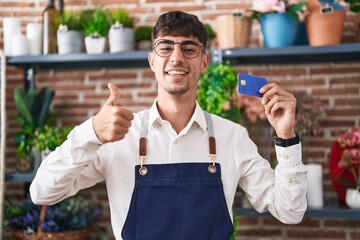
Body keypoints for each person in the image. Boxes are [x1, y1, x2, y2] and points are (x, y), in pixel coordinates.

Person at [30, 11, 307, 240]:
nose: (176, 58)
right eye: (165, 47)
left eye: (189, 48)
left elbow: (290, 212)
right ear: (152, 60)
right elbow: (42, 191)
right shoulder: (118, 137)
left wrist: (285, 137)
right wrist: (89, 133)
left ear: (204, 62)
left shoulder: (231, 137)